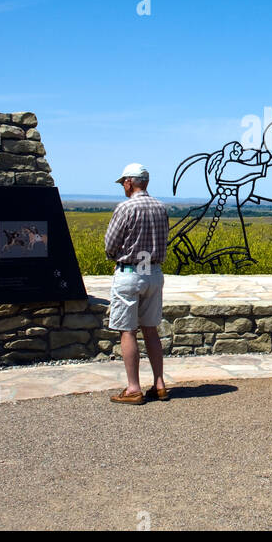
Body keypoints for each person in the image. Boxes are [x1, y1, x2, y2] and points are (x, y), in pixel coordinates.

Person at [104, 162, 171, 404]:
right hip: (154, 272)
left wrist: (115, 258)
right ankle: (160, 383)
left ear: (130, 182)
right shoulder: (160, 207)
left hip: (131, 272)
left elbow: (110, 244)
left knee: (128, 331)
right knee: (151, 330)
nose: (123, 185)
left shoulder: (125, 208)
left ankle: (133, 388)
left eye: (123, 181)